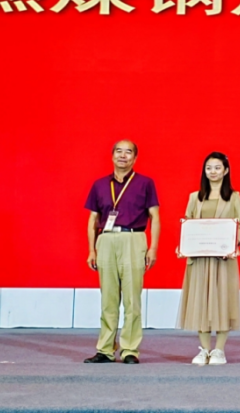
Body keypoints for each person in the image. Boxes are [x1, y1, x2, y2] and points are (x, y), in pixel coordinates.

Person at [83, 140, 160, 364]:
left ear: (135, 158)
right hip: (106, 239)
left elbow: (155, 217)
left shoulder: (145, 183)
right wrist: (91, 250)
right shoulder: (99, 185)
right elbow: (93, 219)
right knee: (108, 298)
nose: (123, 156)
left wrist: (153, 247)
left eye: (128, 152)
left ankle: (129, 349)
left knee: (132, 299)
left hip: (133, 238)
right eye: (119, 151)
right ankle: (105, 349)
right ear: (112, 156)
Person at [176, 152, 240, 365]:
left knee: (223, 302)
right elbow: (187, 223)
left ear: (225, 171)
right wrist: (183, 245)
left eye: (217, 167)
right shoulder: (194, 197)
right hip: (199, 259)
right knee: (200, 302)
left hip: (223, 259)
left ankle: (219, 350)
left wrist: (234, 244)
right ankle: (204, 350)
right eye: (209, 168)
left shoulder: (234, 197)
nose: (212, 172)